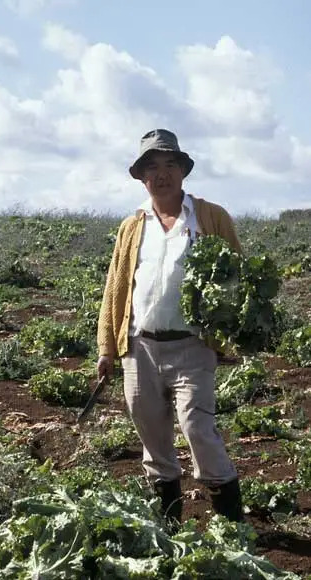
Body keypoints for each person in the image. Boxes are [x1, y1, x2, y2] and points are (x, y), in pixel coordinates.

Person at [97, 129, 243, 527]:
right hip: (140, 348)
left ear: (183, 170)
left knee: (198, 427)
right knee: (153, 438)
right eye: (152, 167)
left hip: (193, 347)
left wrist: (231, 332)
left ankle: (232, 523)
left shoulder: (210, 217)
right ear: (142, 177)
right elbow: (116, 285)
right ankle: (168, 526)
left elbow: (236, 275)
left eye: (169, 164)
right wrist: (107, 348)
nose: (162, 174)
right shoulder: (133, 226)